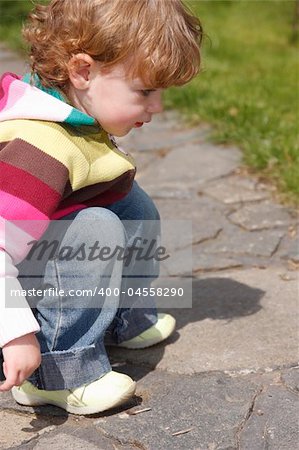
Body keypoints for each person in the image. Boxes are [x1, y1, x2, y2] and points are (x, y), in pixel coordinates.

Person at [0, 0, 202, 414]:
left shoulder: (74, 116)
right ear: (83, 72)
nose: (158, 107)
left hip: (40, 277)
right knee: (94, 226)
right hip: (16, 316)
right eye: (146, 91)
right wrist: (16, 335)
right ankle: (58, 373)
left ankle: (121, 318)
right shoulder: (36, 150)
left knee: (131, 205)